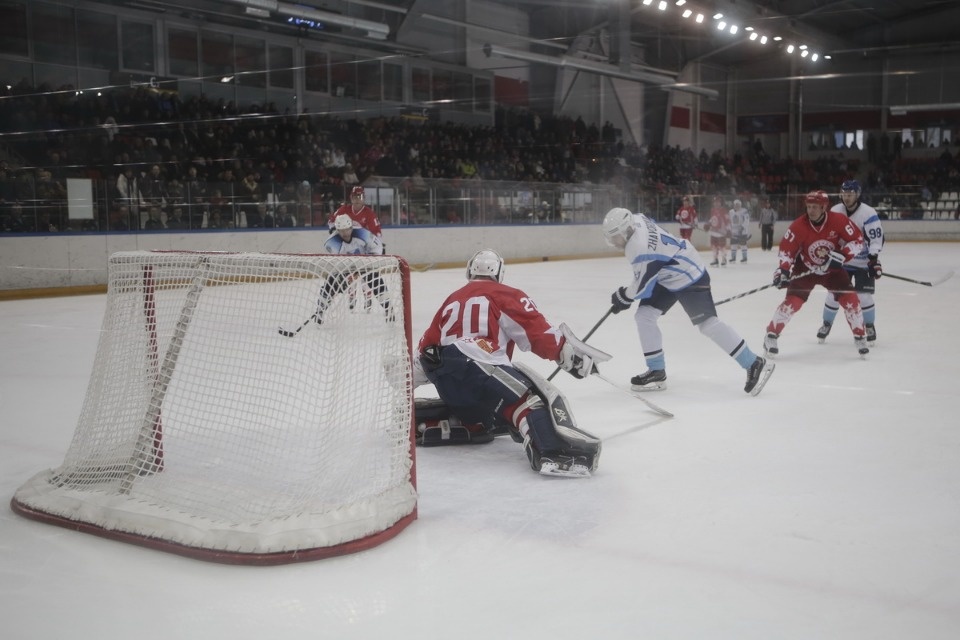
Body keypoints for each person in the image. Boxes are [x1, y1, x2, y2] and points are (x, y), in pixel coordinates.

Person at [417, 249, 606, 478]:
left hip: (445, 374)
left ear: (470, 270)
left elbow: (426, 348)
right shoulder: (505, 294)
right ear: (499, 272)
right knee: (530, 401)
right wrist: (567, 355)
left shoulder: (452, 299)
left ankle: (461, 422)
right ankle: (556, 451)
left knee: (488, 408)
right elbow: (537, 334)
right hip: (479, 364)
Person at [603, 207, 774, 396]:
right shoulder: (636, 218)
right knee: (644, 316)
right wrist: (627, 296)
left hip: (688, 273)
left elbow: (641, 286)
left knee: (707, 325)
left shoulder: (638, 248)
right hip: (667, 270)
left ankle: (754, 362)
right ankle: (657, 371)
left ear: (626, 230)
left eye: (616, 237)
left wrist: (623, 296)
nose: (614, 242)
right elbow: (649, 265)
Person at [763, 190, 869, 358]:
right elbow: (786, 251)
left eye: (815, 207)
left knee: (851, 300)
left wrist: (842, 255)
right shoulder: (798, 225)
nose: (811, 211)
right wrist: (782, 271)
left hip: (832, 270)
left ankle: (860, 336)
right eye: (808, 206)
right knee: (792, 303)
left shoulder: (839, 221)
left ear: (824, 207)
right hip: (805, 269)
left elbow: (857, 240)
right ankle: (771, 335)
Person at [817, 180, 884, 344]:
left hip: (862, 263)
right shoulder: (835, 211)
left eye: (850, 194)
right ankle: (827, 323)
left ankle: (869, 325)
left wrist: (874, 259)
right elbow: (828, 235)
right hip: (841, 262)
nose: (847, 197)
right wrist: (826, 252)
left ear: (857, 194)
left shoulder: (868, 213)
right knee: (834, 294)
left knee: (864, 296)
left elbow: (876, 239)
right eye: (845, 194)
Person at [314, 214, 390, 324]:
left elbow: (377, 248)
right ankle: (319, 311)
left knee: (376, 280)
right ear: (337, 230)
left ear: (351, 227)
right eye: (341, 230)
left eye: (347, 230)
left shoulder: (363, 233)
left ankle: (389, 309)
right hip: (346, 266)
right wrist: (341, 280)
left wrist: (363, 267)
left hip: (365, 263)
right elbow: (338, 264)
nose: (345, 233)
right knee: (330, 283)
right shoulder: (332, 242)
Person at [704, 196, 730, 267]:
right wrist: (708, 224)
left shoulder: (724, 210)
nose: (716, 203)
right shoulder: (712, 210)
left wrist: (728, 230)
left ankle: (724, 259)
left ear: (720, 203)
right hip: (713, 232)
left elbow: (727, 221)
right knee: (714, 246)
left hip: (721, 233)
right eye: (715, 202)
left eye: (718, 202)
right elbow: (712, 219)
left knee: (722, 246)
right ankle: (715, 259)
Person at [728, 198, 750, 263]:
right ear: (734, 205)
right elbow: (729, 221)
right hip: (733, 232)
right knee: (733, 245)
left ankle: (744, 258)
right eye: (736, 204)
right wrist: (728, 229)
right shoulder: (730, 212)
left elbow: (746, 220)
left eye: (738, 205)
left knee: (743, 245)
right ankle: (733, 258)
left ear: (740, 205)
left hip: (742, 232)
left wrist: (742, 227)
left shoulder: (744, 211)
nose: (737, 206)